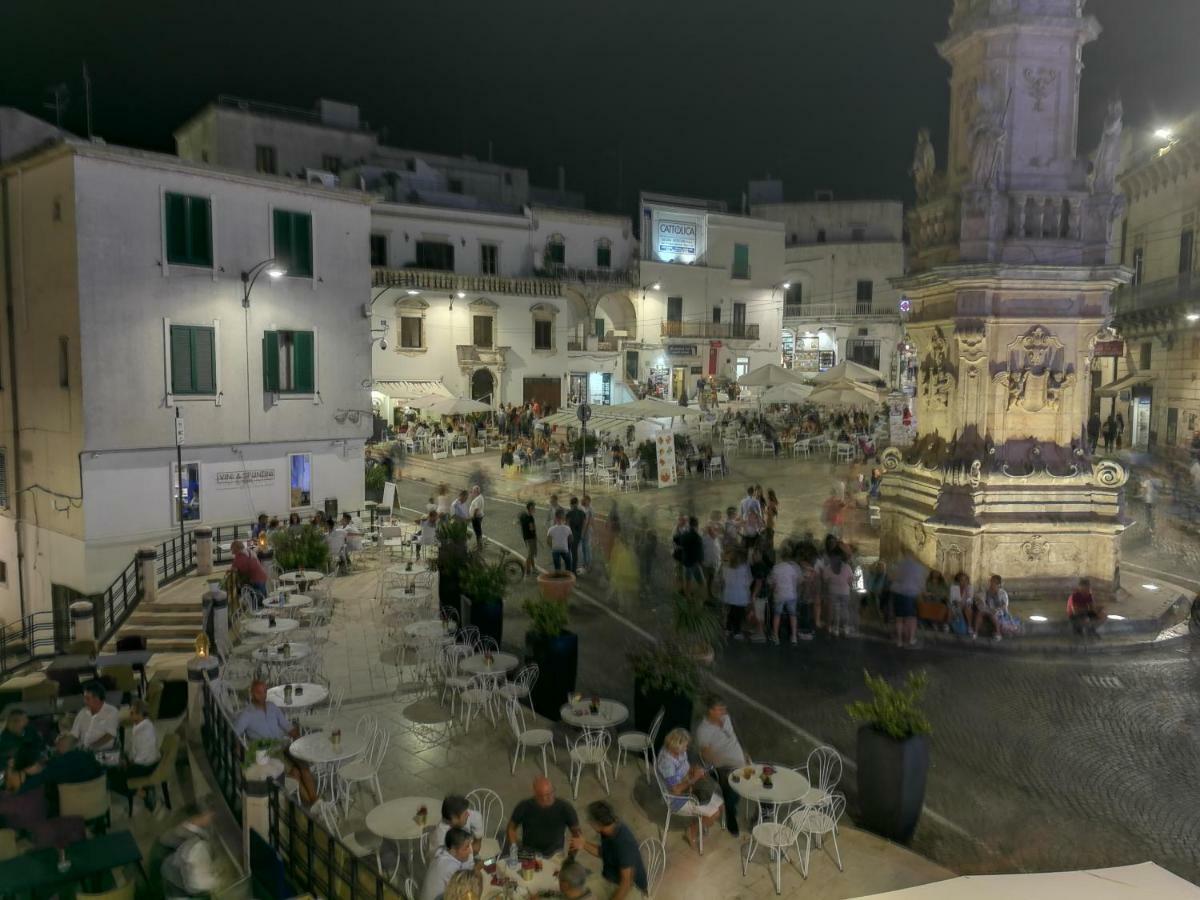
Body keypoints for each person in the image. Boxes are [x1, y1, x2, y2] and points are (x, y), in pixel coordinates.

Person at [233, 680, 317, 806]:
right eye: (259, 693)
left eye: (265, 692)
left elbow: (287, 726)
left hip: (283, 745)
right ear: (252, 693)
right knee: (294, 774)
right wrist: (239, 749)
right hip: (269, 753)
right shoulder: (247, 715)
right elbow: (235, 734)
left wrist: (300, 739)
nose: (263, 695)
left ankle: (314, 800)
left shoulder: (272, 707)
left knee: (304, 766)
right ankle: (313, 803)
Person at [656, 727, 722, 850]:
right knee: (715, 814)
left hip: (689, 786)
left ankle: (700, 823)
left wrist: (694, 770)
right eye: (685, 746)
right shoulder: (666, 763)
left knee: (720, 804)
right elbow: (676, 790)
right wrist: (694, 779)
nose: (687, 748)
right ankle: (691, 831)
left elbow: (686, 768)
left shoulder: (679, 753)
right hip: (677, 799)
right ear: (676, 746)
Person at [694, 696, 751, 838]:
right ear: (710, 711)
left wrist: (744, 753)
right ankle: (731, 818)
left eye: (723, 709)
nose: (723, 712)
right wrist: (730, 762)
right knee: (732, 791)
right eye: (720, 709)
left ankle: (761, 816)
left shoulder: (726, 718)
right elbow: (707, 756)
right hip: (722, 767)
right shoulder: (703, 730)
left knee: (762, 782)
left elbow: (735, 737)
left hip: (741, 762)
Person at [569, 800, 648, 900]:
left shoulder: (624, 844)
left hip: (632, 889)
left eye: (590, 820)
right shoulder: (608, 830)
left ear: (597, 824)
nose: (588, 822)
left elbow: (626, 884)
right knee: (577, 892)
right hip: (610, 880)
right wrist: (583, 844)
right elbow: (606, 853)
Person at [505, 775, 581, 857]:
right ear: (535, 794)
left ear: (553, 791)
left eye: (548, 794)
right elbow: (511, 828)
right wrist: (514, 849)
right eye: (540, 796)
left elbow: (577, 835)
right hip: (529, 854)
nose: (545, 799)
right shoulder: (524, 806)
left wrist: (570, 859)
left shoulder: (565, 808)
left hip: (555, 855)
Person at [109, 698, 161, 809]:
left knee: (111, 779)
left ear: (140, 714)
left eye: (132, 713)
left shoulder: (145, 731)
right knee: (114, 766)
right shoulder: (142, 725)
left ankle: (142, 794)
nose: (130, 714)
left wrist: (128, 763)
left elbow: (143, 756)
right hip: (144, 762)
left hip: (146, 766)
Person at [420, 827, 479, 900]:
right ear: (453, 850)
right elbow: (467, 889)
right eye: (466, 847)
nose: (470, 851)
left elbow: (470, 867)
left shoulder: (443, 852)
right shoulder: (451, 868)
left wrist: (486, 863)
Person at [888, 553, 926, 649]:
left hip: (897, 594)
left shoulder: (898, 565)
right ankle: (910, 639)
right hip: (910, 595)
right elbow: (921, 582)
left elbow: (891, 578)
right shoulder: (918, 567)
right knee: (911, 618)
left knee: (899, 618)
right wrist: (922, 592)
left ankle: (899, 641)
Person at [71, 680, 120, 750]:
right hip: (82, 751)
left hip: (102, 752)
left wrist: (91, 748)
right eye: (84, 698)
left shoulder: (111, 711)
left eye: (87, 699)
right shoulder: (82, 712)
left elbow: (110, 735)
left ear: (97, 699)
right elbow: (74, 734)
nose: (84, 701)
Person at [820, 546, 856, 638]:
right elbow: (851, 580)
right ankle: (845, 628)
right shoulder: (847, 567)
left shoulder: (828, 567)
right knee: (845, 611)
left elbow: (825, 580)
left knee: (836, 611)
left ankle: (835, 629)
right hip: (845, 592)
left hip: (833, 591)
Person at [769, 550, 801, 645]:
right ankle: (794, 637)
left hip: (779, 595)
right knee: (792, 615)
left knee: (777, 614)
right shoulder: (792, 568)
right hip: (791, 594)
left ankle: (776, 637)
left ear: (781, 557)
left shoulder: (776, 568)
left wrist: (773, 590)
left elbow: (771, 582)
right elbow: (797, 581)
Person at [0, 707, 43, 773]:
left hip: (31, 765)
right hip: (12, 771)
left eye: (17, 721)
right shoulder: (3, 737)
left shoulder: (30, 731)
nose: (12, 724)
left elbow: (39, 744)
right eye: (12, 721)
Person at [722, 547, 751, 640]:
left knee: (731, 611)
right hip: (741, 595)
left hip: (729, 593)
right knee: (738, 614)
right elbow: (748, 580)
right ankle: (737, 632)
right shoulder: (745, 567)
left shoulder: (726, 566)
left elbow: (724, 579)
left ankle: (728, 629)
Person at [974, 574, 1009, 641]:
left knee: (993, 614)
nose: (991, 583)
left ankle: (998, 634)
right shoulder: (986, 591)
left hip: (998, 610)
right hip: (987, 609)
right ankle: (975, 632)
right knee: (979, 613)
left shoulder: (1002, 593)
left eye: (993, 581)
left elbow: (1004, 605)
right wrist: (979, 601)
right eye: (991, 581)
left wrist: (996, 609)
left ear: (998, 584)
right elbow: (980, 599)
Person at [678, 517, 705, 597]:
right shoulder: (697, 536)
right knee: (702, 582)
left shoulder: (684, 535)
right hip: (694, 562)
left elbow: (681, 545)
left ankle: (688, 598)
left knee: (688, 581)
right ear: (696, 525)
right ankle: (699, 597)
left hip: (686, 561)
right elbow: (700, 551)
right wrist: (701, 561)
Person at [566, 497, 587, 574]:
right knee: (575, 553)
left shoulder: (569, 513)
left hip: (570, 535)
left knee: (568, 552)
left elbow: (567, 525)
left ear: (571, 504)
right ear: (577, 503)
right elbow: (584, 524)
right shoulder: (582, 513)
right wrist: (582, 534)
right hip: (578, 535)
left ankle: (569, 570)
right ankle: (574, 570)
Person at [519, 501, 538, 575]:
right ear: (530, 508)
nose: (534, 509)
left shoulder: (523, 516)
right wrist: (535, 534)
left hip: (526, 537)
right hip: (531, 538)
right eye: (533, 508)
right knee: (530, 554)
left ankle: (533, 568)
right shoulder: (530, 518)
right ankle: (527, 570)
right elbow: (531, 528)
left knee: (531, 554)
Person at [579, 495, 594, 574]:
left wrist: (583, 532)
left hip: (587, 531)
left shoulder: (590, 509)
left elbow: (589, 522)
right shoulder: (582, 507)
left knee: (587, 548)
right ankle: (585, 564)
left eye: (584, 500)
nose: (583, 501)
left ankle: (589, 565)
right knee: (584, 548)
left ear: (588, 501)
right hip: (583, 530)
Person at [468, 485, 485, 552]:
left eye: (473, 491)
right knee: (478, 532)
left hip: (476, 517)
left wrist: (473, 516)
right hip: (479, 516)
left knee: (478, 532)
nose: (472, 492)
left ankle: (479, 547)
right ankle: (480, 545)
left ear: (476, 492)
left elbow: (476, 509)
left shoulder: (478, 499)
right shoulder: (480, 497)